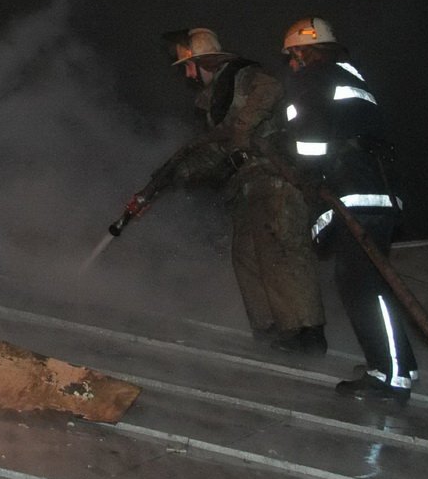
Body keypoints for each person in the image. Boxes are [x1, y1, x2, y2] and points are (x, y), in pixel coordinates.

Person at [134, 27, 327, 354]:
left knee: (280, 250)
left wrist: (240, 128)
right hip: (246, 183)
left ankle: (306, 333)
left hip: (274, 176)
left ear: (203, 61)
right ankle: (270, 327)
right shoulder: (215, 101)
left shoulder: (243, 76)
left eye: (188, 65)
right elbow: (216, 152)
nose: (187, 74)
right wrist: (176, 175)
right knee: (246, 254)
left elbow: (270, 89)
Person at [281, 16, 418, 403]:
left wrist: (307, 176)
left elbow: (310, 139)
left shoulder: (313, 78)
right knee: (370, 285)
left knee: (362, 287)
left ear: (302, 52)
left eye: (292, 56)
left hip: (354, 190)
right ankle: (399, 364)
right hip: (378, 189)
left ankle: (389, 375)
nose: (290, 65)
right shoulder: (349, 75)